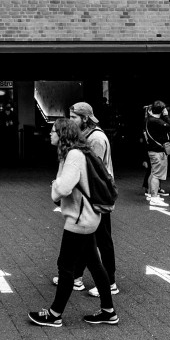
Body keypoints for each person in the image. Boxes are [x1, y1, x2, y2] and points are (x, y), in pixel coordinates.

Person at [28, 119, 118, 328]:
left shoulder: (73, 155)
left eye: (53, 131)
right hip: (88, 217)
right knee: (94, 264)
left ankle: (54, 314)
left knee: (65, 266)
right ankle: (108, 311)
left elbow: (64, 188)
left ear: (63, 135)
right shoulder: (80, 152)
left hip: (79, 220)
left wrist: (54, 185)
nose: (50, 134)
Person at [50, 103, 119, 299]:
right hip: (90, 199)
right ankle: (78, 278)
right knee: (88, 243)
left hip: (95, 197)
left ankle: (110, 282)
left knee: (103, 240)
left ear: (85, 118)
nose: (71, 121)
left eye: (74, 117)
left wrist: (61, 182)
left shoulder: (96, 138)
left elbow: (93, 171)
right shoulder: (86, 136)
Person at [143, 101, 170, 208]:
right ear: (162, 110)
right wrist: (166, 115)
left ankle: (150, 194)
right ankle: (154, 198)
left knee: (153, 173)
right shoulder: (156, 121)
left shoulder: (148, 119)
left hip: (153, 150)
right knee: (157, 175)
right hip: (158, 152)